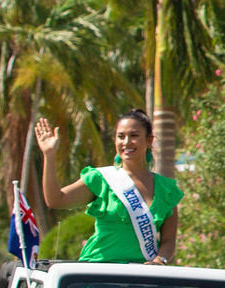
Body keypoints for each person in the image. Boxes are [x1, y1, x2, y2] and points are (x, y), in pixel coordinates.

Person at [35, 110, 181, 264]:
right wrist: (49, 155)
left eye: (134, 135)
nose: (126, 142)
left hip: (141, 278)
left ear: (149, 140)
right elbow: (56, 200)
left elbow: (169, 241)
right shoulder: (101, 179)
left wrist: (159, 260)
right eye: (121, 136)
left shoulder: (167, 190)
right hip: (98, 276)